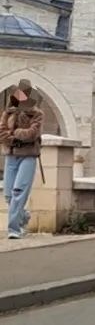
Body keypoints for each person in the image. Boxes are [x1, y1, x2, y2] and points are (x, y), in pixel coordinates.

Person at [0, 83, 44, 239]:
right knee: (8, 195)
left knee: (18, 191)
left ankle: (14, 229)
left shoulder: (36, 114)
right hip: (11, 156)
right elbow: (2, 133)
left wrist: (16, 133)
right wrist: (14, 139)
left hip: (28, 156)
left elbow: (32, 133)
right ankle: (23, 217)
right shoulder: (8, 113)